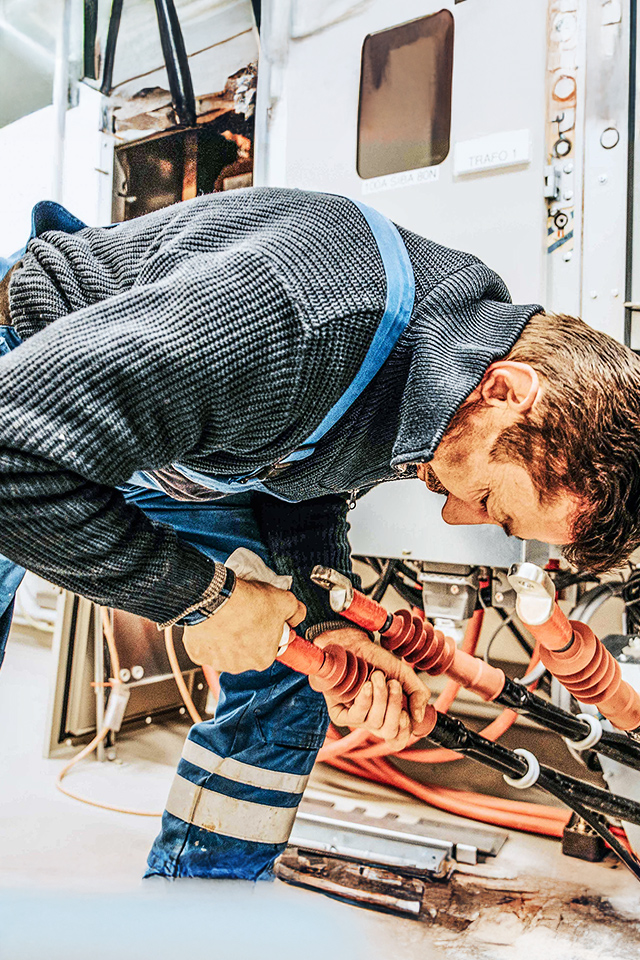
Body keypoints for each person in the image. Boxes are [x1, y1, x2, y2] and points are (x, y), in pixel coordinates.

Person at [1, 187, 639, 880]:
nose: (457, 517)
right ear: (509, 391)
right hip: (30, 382)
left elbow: (304, 473)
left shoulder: (447, 371)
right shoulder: (293, 318)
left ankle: (201, 901)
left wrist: (324, 618)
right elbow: (13, 459)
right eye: (490, 500)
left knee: (296, 652)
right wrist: (203, 600)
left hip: (178, 453)